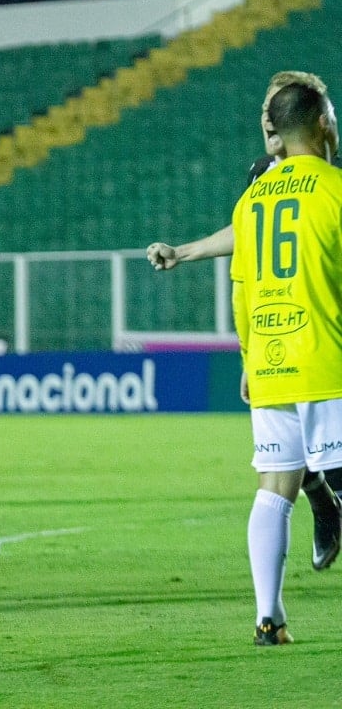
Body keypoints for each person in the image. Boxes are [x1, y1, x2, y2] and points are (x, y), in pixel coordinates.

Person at [147, 70, 342, 571]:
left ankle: (321, 501)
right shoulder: (262, 178)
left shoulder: (327, 174)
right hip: (284, 335)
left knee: (289, 465)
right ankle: (320, 498)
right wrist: (249, 351)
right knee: (286, 462)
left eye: (273, 112)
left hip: (315, 327)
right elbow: (247, 237)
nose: (266, 123)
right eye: (262, 112)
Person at [231, 80, 342, 645]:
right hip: (328, 362)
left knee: (274, 488)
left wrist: (252, 357)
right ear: (323, 122)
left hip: (272, 363)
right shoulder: (335, 191)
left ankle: (268, 617)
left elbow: (242, 289)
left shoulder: (251, 200)